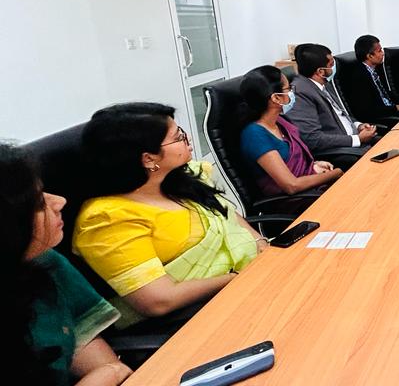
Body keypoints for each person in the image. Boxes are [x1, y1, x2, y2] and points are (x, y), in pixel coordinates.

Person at [73, 103, 265, 327]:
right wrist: (236, 277)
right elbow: (158, 300)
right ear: (148, 159)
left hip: (246, 285)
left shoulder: (183, 178)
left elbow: (226, 216)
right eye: (178, 137)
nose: (187, 138)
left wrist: (260, 244)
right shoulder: (108, 219)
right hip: (195, 317)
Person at [1, 144, 132, 386]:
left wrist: (112, 371)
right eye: (38, 203)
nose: (60, 202)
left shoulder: (45, 263)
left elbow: (80, 334)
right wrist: (108, 375)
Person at [239, 66, 343, 204]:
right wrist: (336, 173)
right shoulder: (255, 135)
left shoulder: (280, 121)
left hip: (311, 190)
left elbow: (295, 161)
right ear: (276, 98)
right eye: (288, 89)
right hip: (296, 202)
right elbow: (291, 185)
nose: (292, 93)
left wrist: (314, 166)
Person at [288, 43, 378, 170]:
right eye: (331, 65)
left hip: (352, 140)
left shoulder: (323, 83)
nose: (334, 67)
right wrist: (357, 139)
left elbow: (341, 114)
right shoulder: (300, 93)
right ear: (320, 71)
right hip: (338, 150)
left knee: (389, 143)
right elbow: (313, 138)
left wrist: (358, 126)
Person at [344, 34, 399, 125]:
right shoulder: (359, 77)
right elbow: (369, 110)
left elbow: (386, 93)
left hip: (390, 111)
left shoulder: (375, 70)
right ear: (369, 56)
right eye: (379, 51)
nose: (383, 53)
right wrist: (397, 108)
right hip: (381, 118)